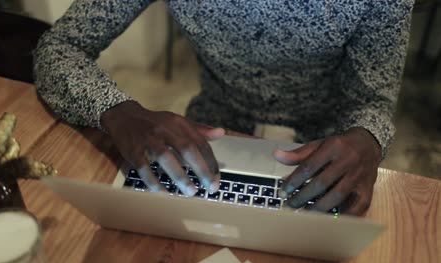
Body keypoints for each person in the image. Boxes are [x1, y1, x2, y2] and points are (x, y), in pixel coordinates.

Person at [33, 0, 414, 215]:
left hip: (327, 137)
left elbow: (372, 99)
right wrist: (116, 110)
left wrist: (369, 135)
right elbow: (59, 48)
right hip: (219, 113)